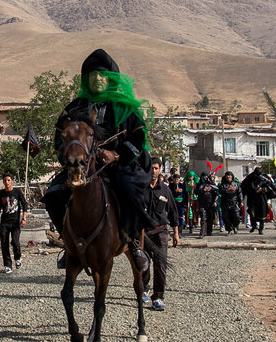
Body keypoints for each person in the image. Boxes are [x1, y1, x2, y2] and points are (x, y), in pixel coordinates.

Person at [42, 49, 153, 272]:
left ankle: (133, 243)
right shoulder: (73, 109)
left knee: (132, 192)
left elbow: (138, 140)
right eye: (92, 76)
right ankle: (68, 243)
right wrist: (70, 158)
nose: (97, 80)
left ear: (111, 79)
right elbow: (58, 140)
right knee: (53, 195)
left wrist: (117, 154)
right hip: (82, 167)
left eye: (102, 76)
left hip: (118, 167)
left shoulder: (126, 109)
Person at [141, 158, 178, 310]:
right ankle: (144, 287)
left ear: (160, 169)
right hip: (143, 233)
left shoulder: (165, 189)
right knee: (143, 263)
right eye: (151, 168)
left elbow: (173, 212)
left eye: (156, 168)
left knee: (160, 265)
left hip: (161, 231)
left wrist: (175, 233)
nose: (153, 171)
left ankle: (158, 297)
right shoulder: (140, 188)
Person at [0, 173, 27, 274]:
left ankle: (18, 258)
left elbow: (25, 205)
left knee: (15, 242)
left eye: (8, 180)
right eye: (5, 180)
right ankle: (7, 265)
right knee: (4, 243)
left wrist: (24, 219)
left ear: (12, 181)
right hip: (4, 222)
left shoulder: (17, 192)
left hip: (15, 222)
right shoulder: (1, 193)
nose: (7, 182)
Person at [243, 166, 276, 235]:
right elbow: (244, 186)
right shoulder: (250, 177)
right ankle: (253, 226)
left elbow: (271, 188)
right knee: (252, 213)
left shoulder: (265, 177)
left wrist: (263, 189)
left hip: (262, 198)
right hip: (252, 198)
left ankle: (261, 228)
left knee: (262, 213)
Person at [196, 173, 219, 237]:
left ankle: (209, 231)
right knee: (203, 218)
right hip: (202, 204)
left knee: (210, 218)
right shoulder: (199, 185)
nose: (204, 179)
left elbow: (217, 193)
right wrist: (203, 190)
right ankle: (203, 232)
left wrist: (215, 201)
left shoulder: (211, 185)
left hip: (210, 204)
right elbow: (196, 192)